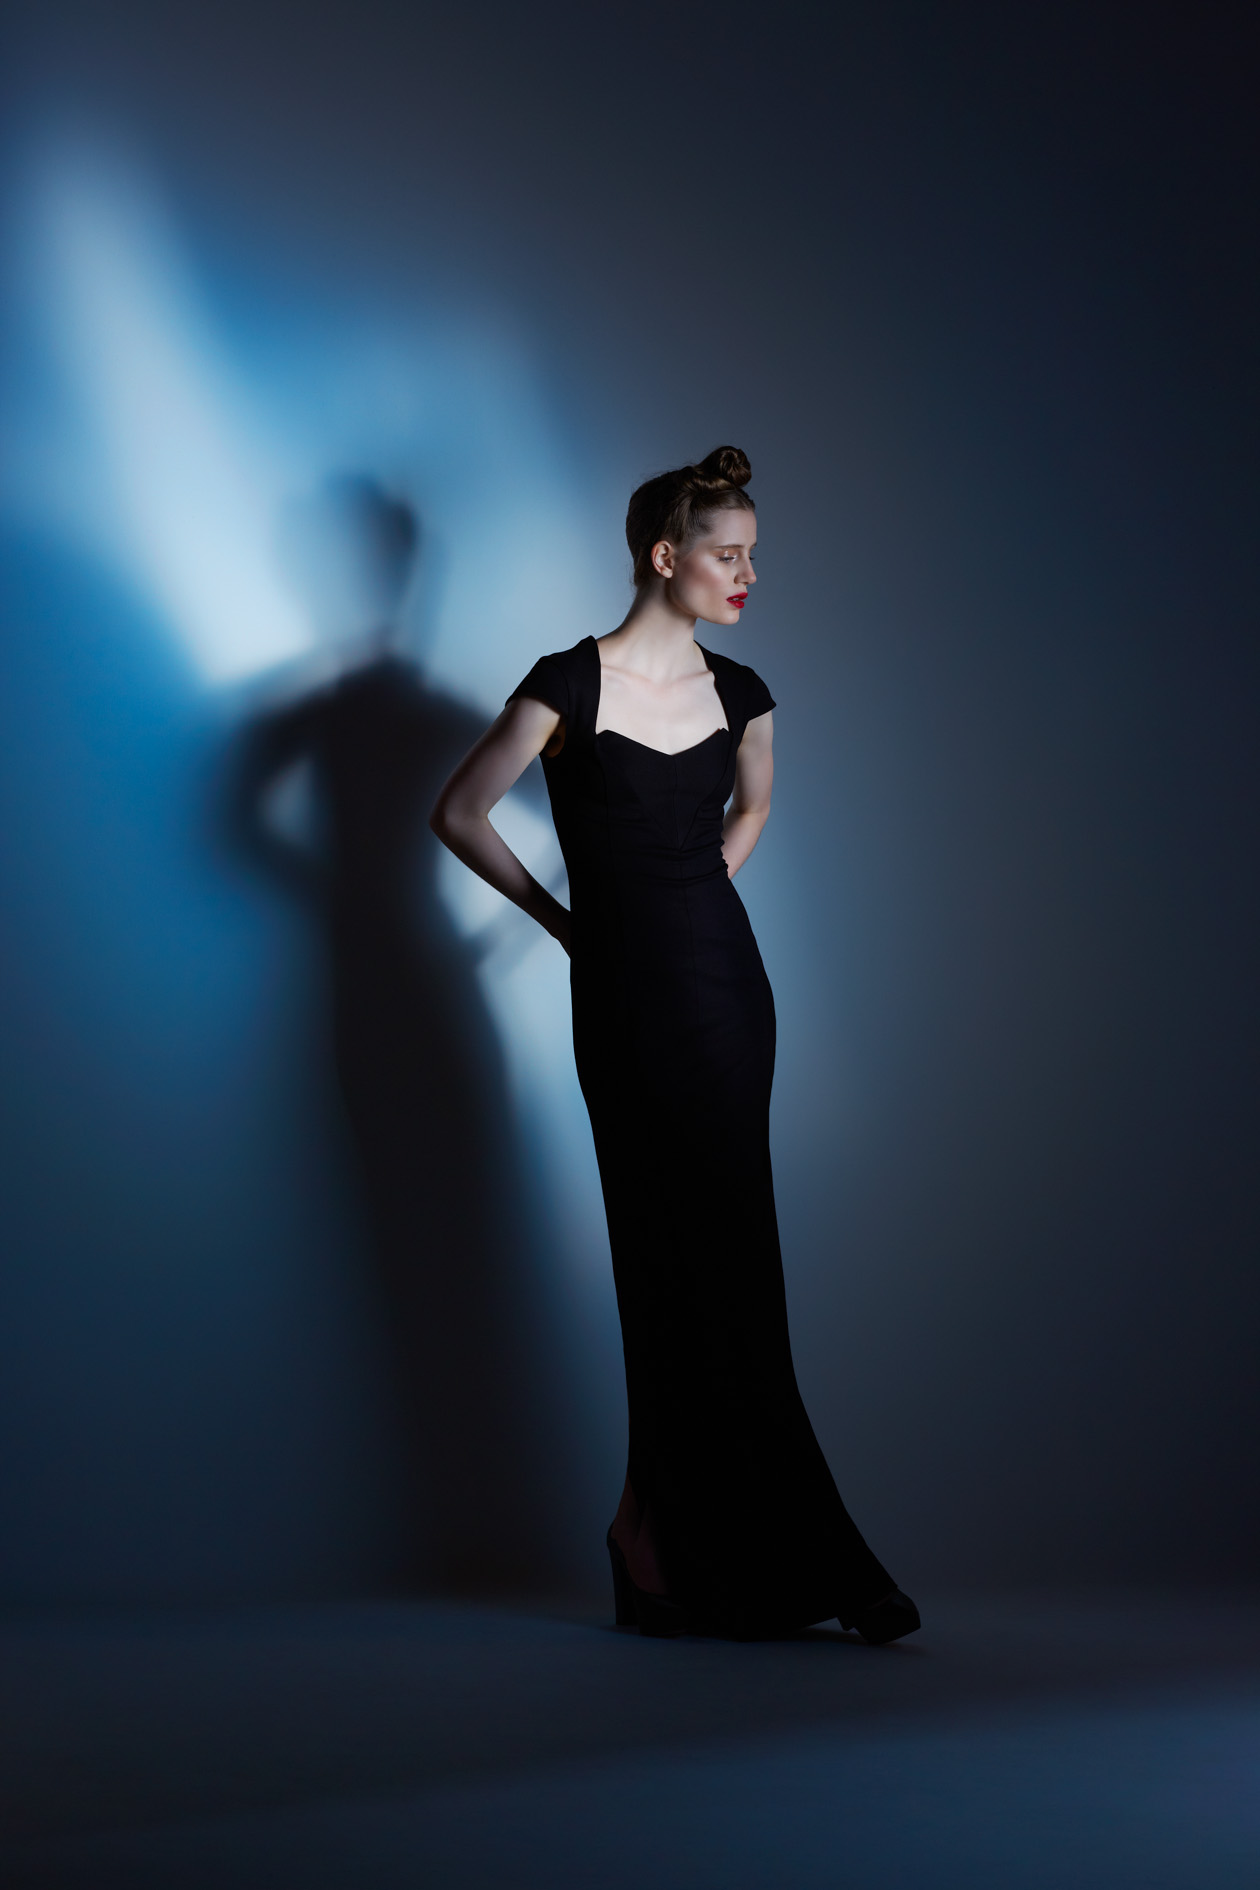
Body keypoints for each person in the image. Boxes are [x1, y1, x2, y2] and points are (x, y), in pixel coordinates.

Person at [431, 446, 919, 1642]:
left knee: (737, 1264)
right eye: (728, 554)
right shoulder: (567, 683)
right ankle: (650, 1535)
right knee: (660, 1262)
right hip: (625, 1002)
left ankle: (779, 1551)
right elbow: (460, 811)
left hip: (725, 997)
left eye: (753, 555)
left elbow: (752, 807)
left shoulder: (744, 693)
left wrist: (697, 893)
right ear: (665, 556)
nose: (749, 574)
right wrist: (565, 924)